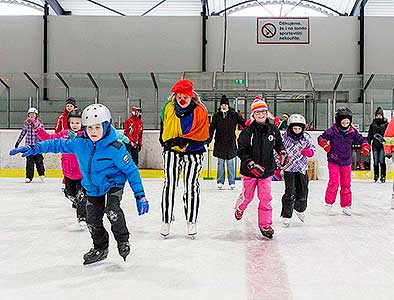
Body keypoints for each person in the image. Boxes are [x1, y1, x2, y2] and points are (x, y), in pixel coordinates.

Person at [10, 103, 149, 265]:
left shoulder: (115, 148)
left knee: (112, 211)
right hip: (92, 185)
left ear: (106, 125)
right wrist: (35, 147)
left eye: (97, 127)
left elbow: (131, 170)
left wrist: (140, 195)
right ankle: (100, 247)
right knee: (91, 219)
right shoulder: (80, 143)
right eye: (90, 128)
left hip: (113, 183)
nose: (93, 132)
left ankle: (122, 240)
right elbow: (57, 144)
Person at [159, 79, 209, 238]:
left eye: (185, 97)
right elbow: (164, 126)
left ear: (191, 96)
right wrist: (168, 140)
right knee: (169, 184)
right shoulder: (168, 108)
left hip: (194, 153)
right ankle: (166, 220)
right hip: (172, 152)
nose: (182, 99)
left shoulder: (200, 110)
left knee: (191, 186)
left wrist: (187, 141)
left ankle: (191, 220)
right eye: (179, 96)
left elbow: (203, 134)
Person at [234, 96, 287, 239]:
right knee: (248, 196)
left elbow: (278, 144)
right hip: (249, 171)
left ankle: (265, 225)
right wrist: (250, 164)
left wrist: (282, 151)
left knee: (265, 198)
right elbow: (241, 150)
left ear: (266, 112)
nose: (261, 114)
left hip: (267, 170)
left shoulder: (273, 129)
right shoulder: (247, 131)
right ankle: (240, 208)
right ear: (253, 115)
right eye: (257, 113)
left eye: (263, 112)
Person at [29, 108, 87, 228]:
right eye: (72, 122)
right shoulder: (64, 134)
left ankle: (82, 217)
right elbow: (48, 139)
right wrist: (37, 128)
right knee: (69, 194)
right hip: (68, 173)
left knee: (82, 195)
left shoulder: (86, 136)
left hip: (82, 173)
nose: (75, 125)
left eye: (78, 122)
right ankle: (80, 203)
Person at [317, 107, 371, 216]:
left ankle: (346, 205)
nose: (346, 123)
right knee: (334, 183)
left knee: (346, 184)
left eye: (348, 121)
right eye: (343, 121)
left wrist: (365, 146)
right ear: (338, 121)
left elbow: (362, 139)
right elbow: (321, 137)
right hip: (334, 160)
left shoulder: (352, 131)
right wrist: (325, 145)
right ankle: (329, 203)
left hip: (346, 161)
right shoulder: (332, 131)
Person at [280, 114, 315, 227]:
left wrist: (310, 152)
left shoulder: (306, 137)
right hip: (289, 168)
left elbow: (312, 147)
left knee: (303, 191)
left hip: (301, 169)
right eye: (294, 128)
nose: (297, 130)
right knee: (290, 192)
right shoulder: (284, 138)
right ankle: (286, 215)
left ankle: (299, 208)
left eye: (299, 128)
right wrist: (278, 166)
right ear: (290, 127)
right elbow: (277, 152)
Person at [209, 95, 246, 190]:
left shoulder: (234, 115)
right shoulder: (216, 116)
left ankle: (232, 182)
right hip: (220, 142)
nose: (223, 106)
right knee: (220, 163)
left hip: (230, 143)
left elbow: (243, 123)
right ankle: (220, 181)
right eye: (222, 104)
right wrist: (208, 140)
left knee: (230, 163)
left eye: (225, 104)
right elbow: (212, 128)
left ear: (228, 105)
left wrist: (250, 126)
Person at [14, 107, 45, 183]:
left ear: (36, 115)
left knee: (39, 161)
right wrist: (18, 142)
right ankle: (29, 177)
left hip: (37, 146)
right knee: (29, 162)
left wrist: (43, 145)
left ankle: (41, 174)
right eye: (30, 114)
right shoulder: (26, 125)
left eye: (33, 114)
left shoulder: (40, 124)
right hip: (29, 146)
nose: (31, 116)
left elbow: (42, 134)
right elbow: (23, 133)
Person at [367, 107, 389, 183]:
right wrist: (368, 144)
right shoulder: (372, 125)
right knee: (376, 161)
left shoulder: (386, 124)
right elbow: (370, 135)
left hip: (383, 145)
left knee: (381, 160)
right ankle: (376, 175)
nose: (378, 117)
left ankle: (383, 175)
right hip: (375, 145)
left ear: (382, 115)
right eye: (377, 115)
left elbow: (389, 134)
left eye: (380, 115)